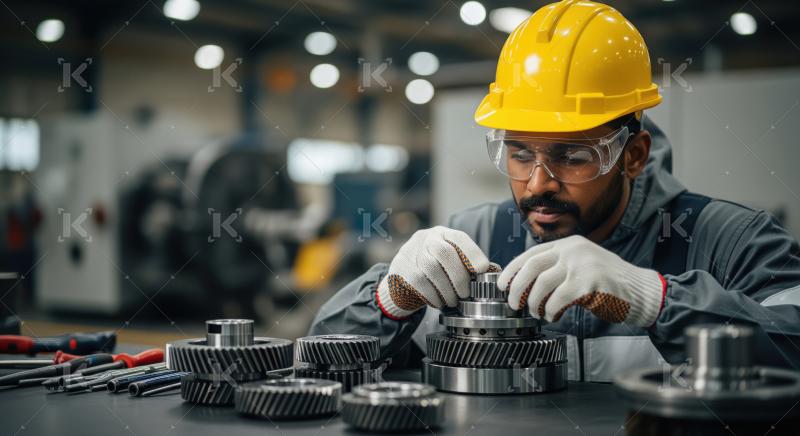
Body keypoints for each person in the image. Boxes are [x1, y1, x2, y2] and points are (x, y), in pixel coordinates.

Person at [309, 0, 800, 381]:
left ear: (632, 155)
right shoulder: (478, 237)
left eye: (573, 155)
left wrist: (656, 300)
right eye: (520, 154)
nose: (539, 184)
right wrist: (387, 302)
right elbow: (319, 366)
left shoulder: (731, 241)